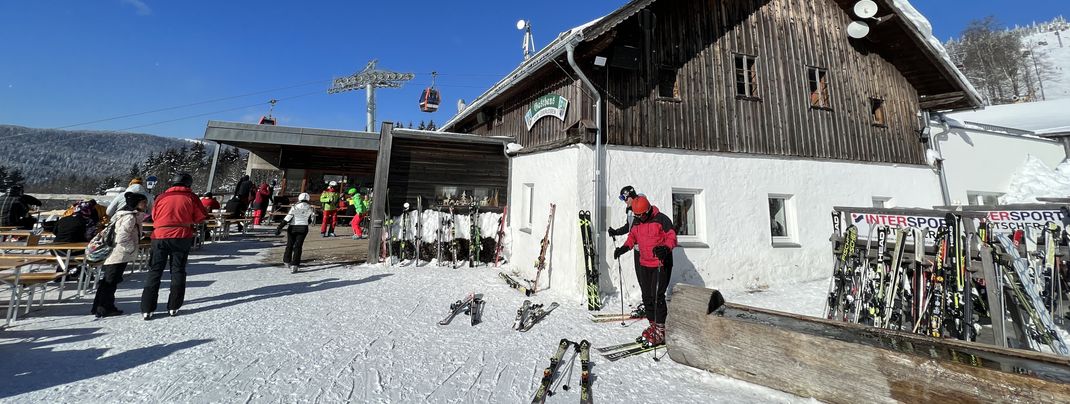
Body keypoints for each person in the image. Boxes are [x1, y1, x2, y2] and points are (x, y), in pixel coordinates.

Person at [141, 172, 207, 320]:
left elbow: (154, 215)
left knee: (155, 271)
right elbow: (201, 216)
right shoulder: (191, 197)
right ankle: (173, 306)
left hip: (159, 236)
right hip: (181, 236)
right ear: (188, 184)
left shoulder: (161, 197)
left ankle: (147, 308)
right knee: (178, 270)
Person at [612, 195, 677, 347]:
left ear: (648, 211)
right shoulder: (636, 221)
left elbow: (672, 237)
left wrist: (665, 248)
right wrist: (623, 248)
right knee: (647, 296)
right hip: (645, 263)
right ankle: (653, 324)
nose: (639, 218)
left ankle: (661, 329)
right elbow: (632, 237)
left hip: (661, 263)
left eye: (641, 215)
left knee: (657, 296)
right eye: (637, 215)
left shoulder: (661, 219)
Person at [91, 192, 147, 318]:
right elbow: (122, 236)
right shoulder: (130, 217)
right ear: (136, 204)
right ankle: (105, 307)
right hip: (119, 252)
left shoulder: (122, 214)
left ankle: (99, 306)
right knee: (111, 280)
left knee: (108, 280)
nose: (146, 205)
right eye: (143, 202)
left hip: (115, 251)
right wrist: (131, 248)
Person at [276, 193, 316, 273]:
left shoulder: (295, 207)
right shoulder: (310, 208)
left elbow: (288, 217)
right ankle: (295, 264)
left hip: (293, 227)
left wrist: (279, 227)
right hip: (303, 228)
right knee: (298, 246)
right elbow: (311, 220)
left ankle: (287, 261)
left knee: (290, 244)